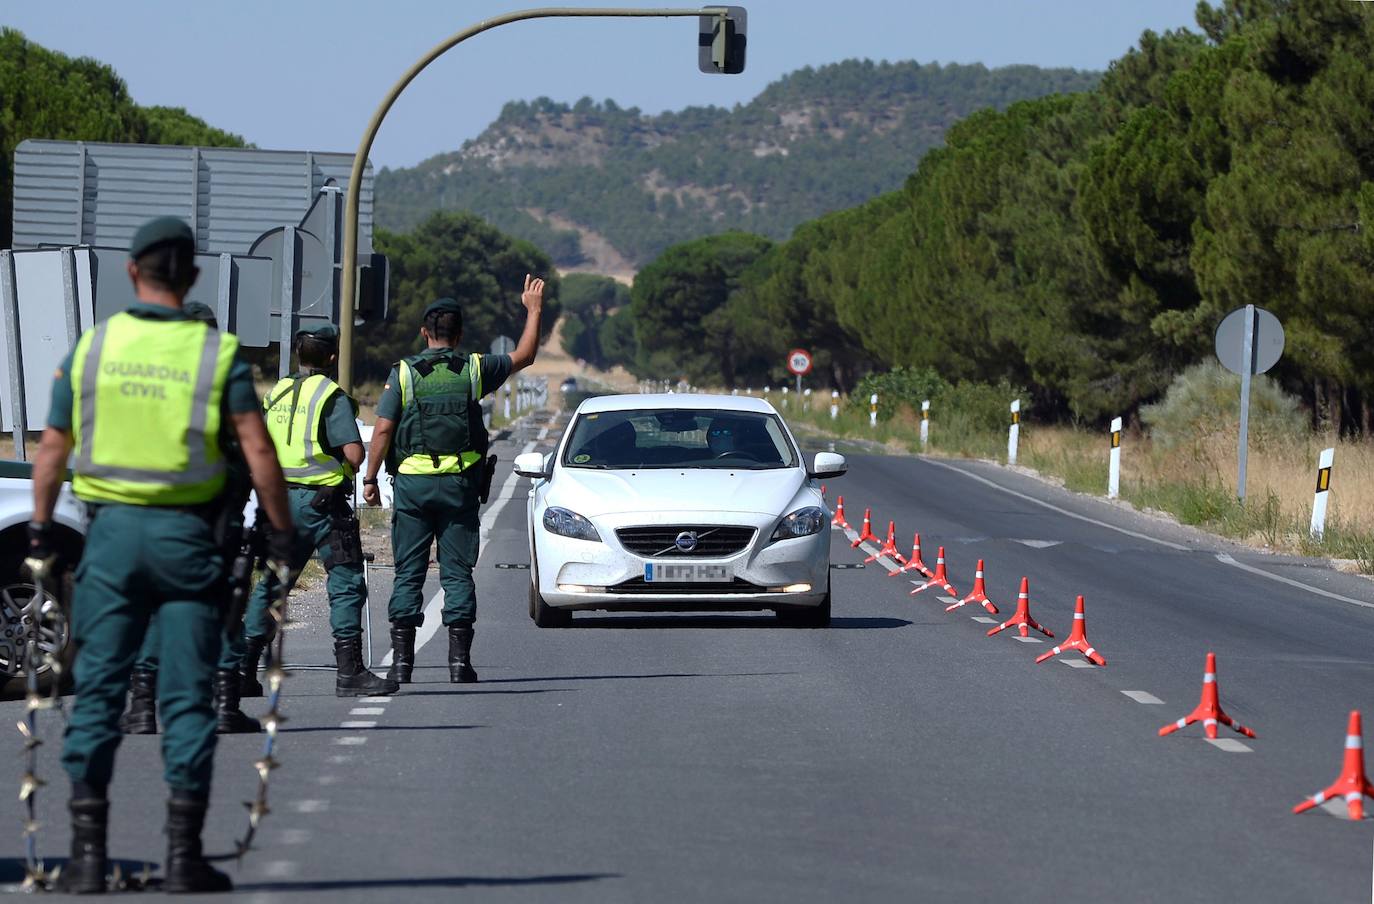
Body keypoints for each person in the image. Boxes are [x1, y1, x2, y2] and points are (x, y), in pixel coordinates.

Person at [24, 217, 293, 894]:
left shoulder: (93, 347)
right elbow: (259, 452)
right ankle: (181, 859)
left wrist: (38, 530)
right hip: (187, 541)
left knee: (98, 692)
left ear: (132, 272)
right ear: (193, 277)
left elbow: (52, 446)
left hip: (109, 539)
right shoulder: (217, 353)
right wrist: (282, 534)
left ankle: (86, 860)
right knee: (187, 697)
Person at [362, 277, 545, 683]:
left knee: (408, 572)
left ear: (424, 332)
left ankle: (403, 665)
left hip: (412, 487)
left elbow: (383, 430)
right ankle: (460, 665)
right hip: (460, 486)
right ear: (460, 334)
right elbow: (526, 354)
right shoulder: (475, 368)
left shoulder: (405, 373)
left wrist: (370, 478)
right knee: (457, 572)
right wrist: (532, 309)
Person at [117, 301, 264, 736]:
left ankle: (143, 706)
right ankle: (224, 705)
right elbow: (255, 448)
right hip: (218, 511)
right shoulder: (229, 379)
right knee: (224, 603)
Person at [238, 323, 398, 697]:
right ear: (331, 357)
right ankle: (350, 672)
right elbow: (354, 454)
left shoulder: (275, 392)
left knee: (273, 584)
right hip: (322, 506)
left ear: (298, 354)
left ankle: (242, 668)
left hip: (278, 502)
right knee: (345, 583)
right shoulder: (331, 396)